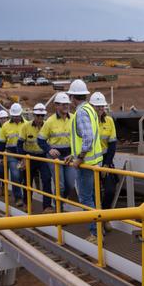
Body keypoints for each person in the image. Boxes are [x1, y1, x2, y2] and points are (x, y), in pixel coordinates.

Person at [65, 80, 102, 241]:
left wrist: (79, 158)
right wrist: (73, 155)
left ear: (73, 97)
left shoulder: (81, 112)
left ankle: (95, 233)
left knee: (86, 198)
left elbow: (88, 138)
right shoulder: (90, 109)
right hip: (94, 162)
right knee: (94, 197)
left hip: (87, 164)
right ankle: (102, 224)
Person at [38, 92, 76, 202]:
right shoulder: (50, 121)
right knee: (60, 186)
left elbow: (79, 138)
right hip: (55, 158)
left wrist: (74, 152)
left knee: (70, 185)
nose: (66, 106)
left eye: (67, 104)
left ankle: (61, 202)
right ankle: (58, 208)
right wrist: (49, 149)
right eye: (62, 104)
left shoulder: (74, 119)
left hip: (70, 157)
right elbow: (40, 140)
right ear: (56, 106)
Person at [90, 91, 119, 230]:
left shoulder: (109, 121)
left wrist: (107, 164)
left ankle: (105, 218)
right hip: (91, 163)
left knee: (110, 190)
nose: (100, 109)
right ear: (92, 107)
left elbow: (112, 144)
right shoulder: (87, 122)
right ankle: (97, 221)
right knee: (94, 193)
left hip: (105, 162)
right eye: (97, 107)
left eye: (102, 107)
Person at [18, 103, 53, 213]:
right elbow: (19, 144)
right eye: (38, 116)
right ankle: (26, 203)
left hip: (43, 158)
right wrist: (23, 158)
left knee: (47, 179)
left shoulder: (48, 126)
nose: (40, 118)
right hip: (29, 157)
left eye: (42, 116)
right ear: (34, 115)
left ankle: (47, 206)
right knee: (27, 181)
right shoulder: (25, 127)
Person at [0, 103, 25, 208]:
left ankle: (25, 196)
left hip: (23, 155)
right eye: (14, 116)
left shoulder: (27, 124)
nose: (16, 117)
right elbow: (1, 143)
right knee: (15, 175)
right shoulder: (5, 126)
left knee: (22, 177)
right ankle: (18, 198)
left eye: (17, 115)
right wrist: (0, 157)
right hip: (11, 154)